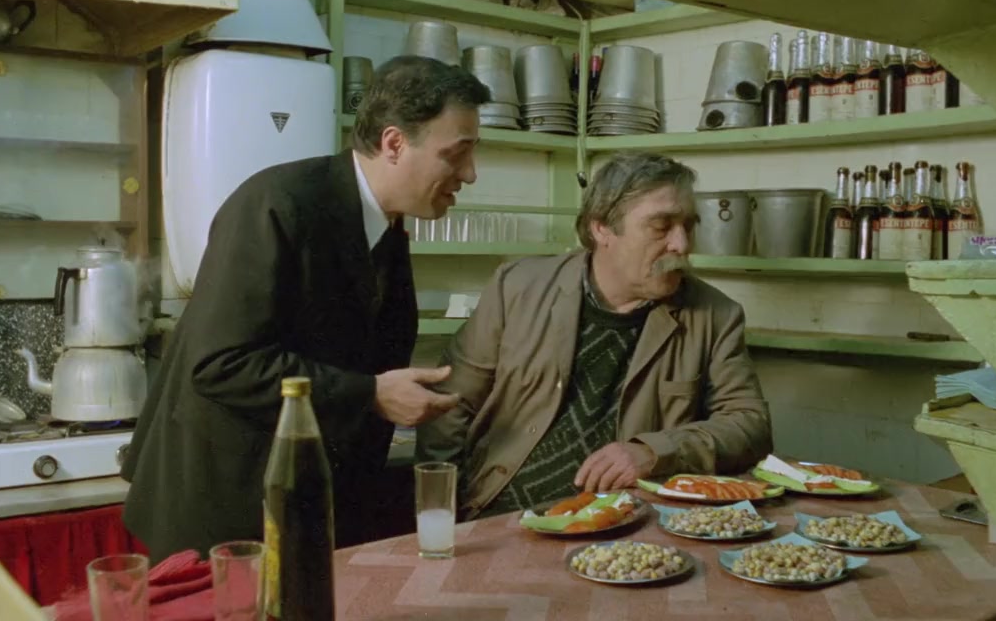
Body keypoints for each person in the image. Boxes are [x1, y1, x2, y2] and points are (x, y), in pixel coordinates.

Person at [121, 55, 491, 562]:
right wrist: (370, 394)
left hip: (296, 498)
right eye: (456, 154)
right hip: (222, 510)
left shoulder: (386, 225)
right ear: (394, 144)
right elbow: (220, 364)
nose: (470, 174)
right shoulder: (277, 203)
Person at [415, 152, 773, 518]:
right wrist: (443, 511)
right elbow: (449, 404)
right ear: (601, 228)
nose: (681, 244)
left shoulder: (715, 315)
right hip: (500, 513)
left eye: (688, 226)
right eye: (661, 226)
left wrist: (655, 451)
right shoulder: (517, 287)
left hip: (628, 526)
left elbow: (750, 425)